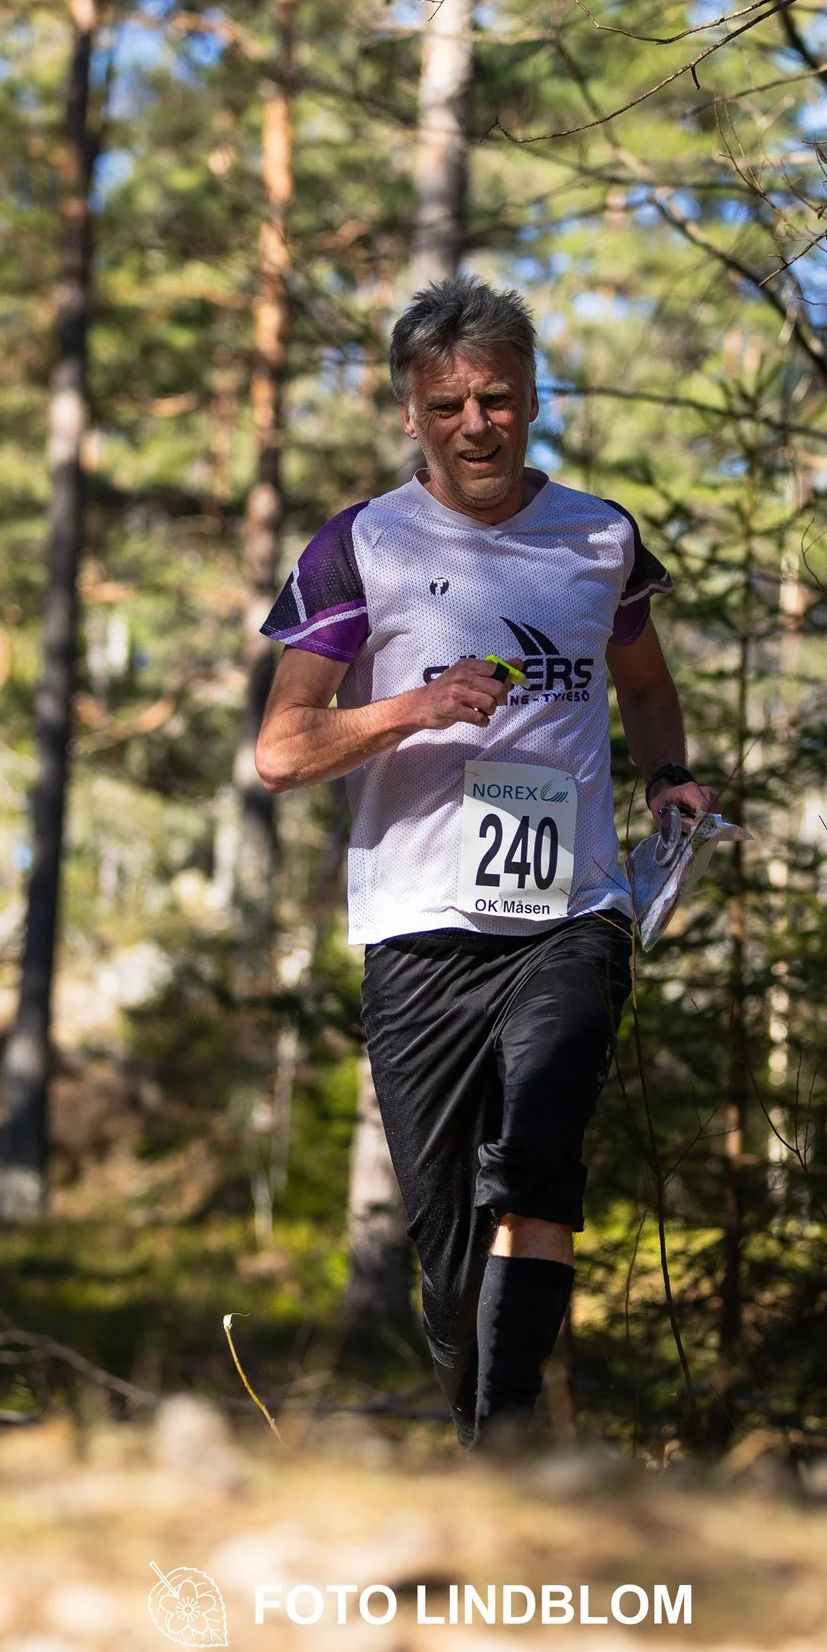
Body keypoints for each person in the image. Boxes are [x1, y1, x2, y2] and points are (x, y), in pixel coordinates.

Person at [253, 275, 716, 1445]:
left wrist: (667, 778)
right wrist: (411, 707)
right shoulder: (361, 546)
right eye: (448, 403)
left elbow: (647, 685)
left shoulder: (599, 535)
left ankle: (507, 1440)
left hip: (573, 907)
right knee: (451, 1252)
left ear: (532, 398)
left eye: (498, 399)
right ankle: (480, 1430)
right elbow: (281, 750)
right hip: (419, 922)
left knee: (541, 1153)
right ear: (411, 412)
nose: (476, 424)